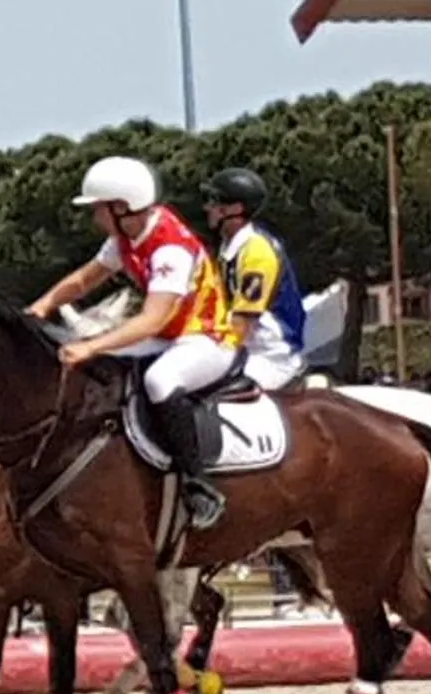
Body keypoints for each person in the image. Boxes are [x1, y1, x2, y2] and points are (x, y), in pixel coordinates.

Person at [27, 156, 237, 530]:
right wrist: (43, 305)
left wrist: (91, 345)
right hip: (167, 338)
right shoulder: (124, 237)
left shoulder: (169, 247)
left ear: (122, 208)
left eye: (98, 209)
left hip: (207, 340)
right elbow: (83, 281)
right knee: (100, 369)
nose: (95, 218)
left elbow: (152, 318)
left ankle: (199, 484)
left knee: (159, 382)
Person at [203, 168, 308, 393]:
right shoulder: (228, 249)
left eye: (215, 201)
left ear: (236, 209)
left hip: (272, 356)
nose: (207, 208)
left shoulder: (256, 252)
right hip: (248, 350)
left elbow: (242, 325)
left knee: (209, 392)